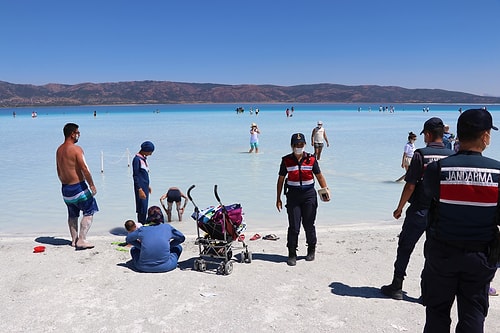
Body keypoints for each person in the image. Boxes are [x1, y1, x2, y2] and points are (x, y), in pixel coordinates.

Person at [420, 109, 500, 332]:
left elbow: (431, 199)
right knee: (473, 314)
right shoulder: (497, 172)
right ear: (485, 136)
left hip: (442, 253)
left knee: (436, 313)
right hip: (480, 256)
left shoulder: (439, 169)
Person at [381, 117, 454, 300]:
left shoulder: (421, 154)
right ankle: (427, 291)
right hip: (443, 212)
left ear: (428, 134)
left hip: (420, 209)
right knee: (433, 251)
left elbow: (410, 185)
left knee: (405, 246)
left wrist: (399, 208)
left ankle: (397, 286)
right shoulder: (452, 156)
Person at [276, 133, 331, 266]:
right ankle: (292, 253)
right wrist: (278, 198)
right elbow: (281, 180)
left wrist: (325, 190)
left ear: (305, 145)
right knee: (294, 227)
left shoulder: (311, 159)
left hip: (309, 195)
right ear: (292, 146)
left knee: (308, 224)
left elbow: (319, 176)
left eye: (301, 144)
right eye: (296, 145)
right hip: (293, 196)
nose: (298, 147)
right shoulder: (286, 160)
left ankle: (311, 249)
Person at [56, 122, 99, 249]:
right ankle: (82, 239)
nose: (79, 135)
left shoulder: (59, 150)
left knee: (72, 214)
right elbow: (84, 169)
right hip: (78, 187)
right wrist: (91, 185)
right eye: (78, 133)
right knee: (89, 210)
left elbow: (58, 169)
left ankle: (74, 240)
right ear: (72, 134)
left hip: (65, 189)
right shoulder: (76, 149)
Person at [126, 206, 186, 273]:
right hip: (166, 266)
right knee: (178, 247)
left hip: (143, 267)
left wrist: (140, 246)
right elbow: (181, 238)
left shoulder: (142, 229)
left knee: (134, 249)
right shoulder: (167, 227)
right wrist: (170, 246)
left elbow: (128, 239)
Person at [132, 141, 155, 224]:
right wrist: (140, 189)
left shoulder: (143, 159)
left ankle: (143, 224)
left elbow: (144, 174)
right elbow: (136, 176)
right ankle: (141, 225)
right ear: (145, 150)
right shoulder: (137, 160)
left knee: (144, 208)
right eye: (150, 152)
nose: (151, 154)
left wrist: (147, 186)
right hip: (140, 188)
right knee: (141, 208)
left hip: (145, 186)